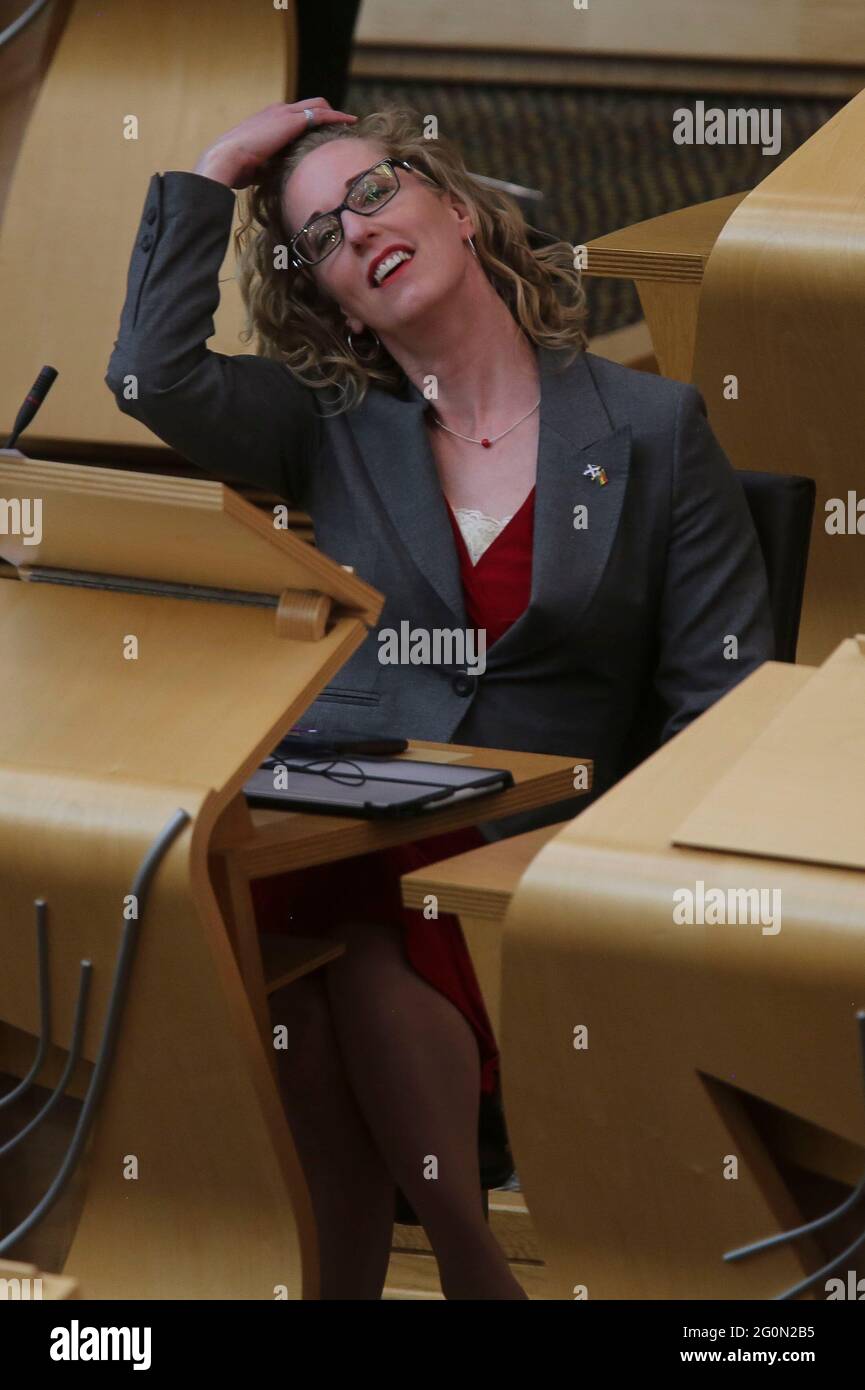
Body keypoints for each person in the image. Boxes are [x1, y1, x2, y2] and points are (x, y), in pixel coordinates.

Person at [105, 99, 775, 1299]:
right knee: (315, 971)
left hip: (521, 855)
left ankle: (447, 1268)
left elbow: (719, 703)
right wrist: (211, 173)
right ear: (333, 299)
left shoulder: (649, 426)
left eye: (372, 195)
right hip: (341, 823)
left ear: (456, 212)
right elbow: (154, 373)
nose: (354, 235)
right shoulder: (330, 427)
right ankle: (470, 1268)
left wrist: (610, 881)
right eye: (319, 239)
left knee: (345, 971)